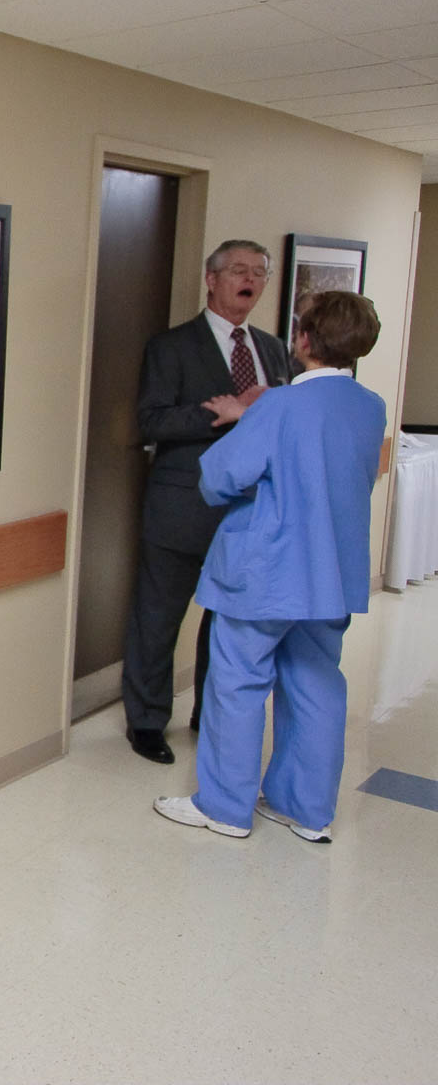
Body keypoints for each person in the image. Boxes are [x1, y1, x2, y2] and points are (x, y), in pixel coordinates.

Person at [154, 290, 385, 843]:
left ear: (302, 340)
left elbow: (220, 478)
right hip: (332, 572)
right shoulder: (369, 406)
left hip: (268, 571)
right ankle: (304, 810)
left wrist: (246, 422)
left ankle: (225, 807)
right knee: (315, 683)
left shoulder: (278, 406)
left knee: (237, 681)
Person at [119, 240, 289, 764]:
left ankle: (211, 717)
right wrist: (227, 411)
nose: (251, 280)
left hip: (249, 511)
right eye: (239, 270)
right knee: (159, 618)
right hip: (182, 507)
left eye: (259, 273)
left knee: (228, 623)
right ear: (211, 279)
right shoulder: (171, 347)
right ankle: (146, 723)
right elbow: (153, 421)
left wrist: (257, 415)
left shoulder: (273, 349)